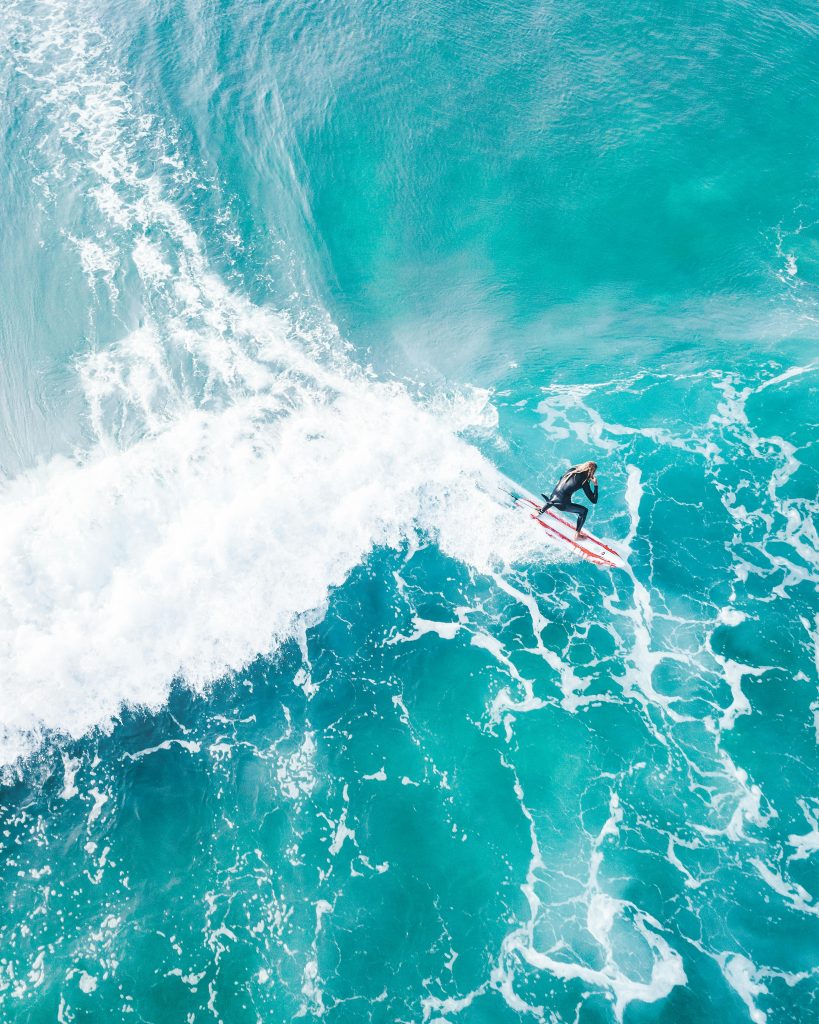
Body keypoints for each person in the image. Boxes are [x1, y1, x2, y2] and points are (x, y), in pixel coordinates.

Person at [539, 460, 598, 534]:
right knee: (584, 511)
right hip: (562, 505)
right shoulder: (584, 482)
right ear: (592, 472)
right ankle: (577, 534)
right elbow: (594, 500)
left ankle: (543, 509)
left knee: (559, 495)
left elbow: (560, 479)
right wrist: (595, 485)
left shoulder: (571, 471)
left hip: (552, 497)